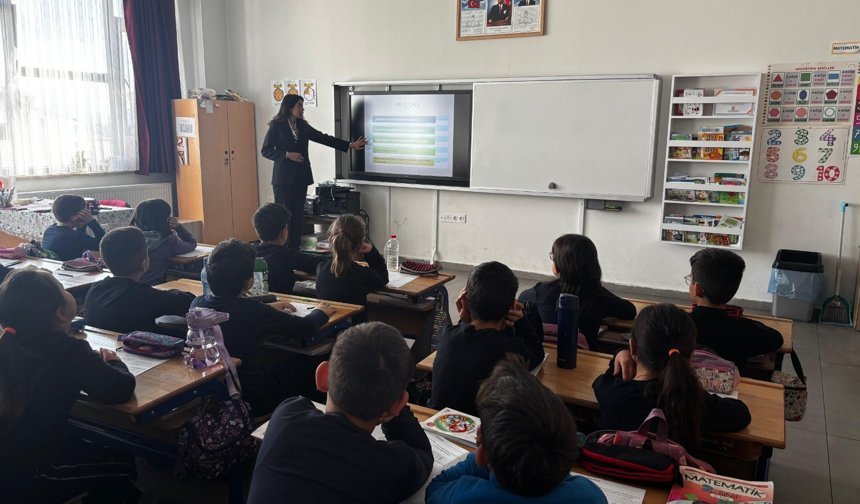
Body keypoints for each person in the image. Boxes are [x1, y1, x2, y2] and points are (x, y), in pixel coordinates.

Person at [247, 322, 433, 504]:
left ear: (322, 377)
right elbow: (422, 453)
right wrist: (393, 403)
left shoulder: (286, 416)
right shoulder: (390, 467)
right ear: (398, 405)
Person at [0, 268, 138, 502]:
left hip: (12, 463)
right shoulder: (68, 351)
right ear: (62, 313)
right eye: (61, 288)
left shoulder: (9, 343)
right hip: (34, 472)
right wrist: (115, 362)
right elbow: (119, 389)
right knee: (121, 459)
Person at [426, 356, 606, 504]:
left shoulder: (464, 497)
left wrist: (485, 451)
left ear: (483, 455)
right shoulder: (589, 496)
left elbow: (435, 489)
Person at [192, 239, 336, 416]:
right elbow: (305, 327)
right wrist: (321, 311)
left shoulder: (197, 304)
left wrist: (265, 307)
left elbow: (231, 307)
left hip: (216, 392)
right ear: (249, 282)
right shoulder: (251, 311)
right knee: (305, 366)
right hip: (254, 396)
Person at [592, 304, 751, 449]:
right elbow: (742, 415)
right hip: (670, 477)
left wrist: (619, 354)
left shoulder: (610, 390)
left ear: (633, 347)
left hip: (615, 472)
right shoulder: (690, 400)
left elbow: (605, 378)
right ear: (689, 357)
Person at [431, 261, 545, 415]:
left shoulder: (447, 335)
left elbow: (466, 338)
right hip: (482, 432)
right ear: (512, 306)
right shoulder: (510, 350)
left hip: (439, 425)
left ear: (465, 301)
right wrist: (522, 321)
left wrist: (465, 320)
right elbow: (537, 354)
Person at [261, 94, 367, 250]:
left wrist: (350, 145)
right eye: (299, 105)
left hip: (301, 178)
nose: (302, 109)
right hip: (283, 181)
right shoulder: (277, 126)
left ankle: (295, 249)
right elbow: (266, 150)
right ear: (290, 107)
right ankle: (282, 250)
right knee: (284, 217)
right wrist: (287, 155)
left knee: (297, 217)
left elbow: (323, 138)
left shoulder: (303, 126)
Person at [519, 234, 635, 350]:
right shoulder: (598, 297)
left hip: (543, 355)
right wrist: (596, 286)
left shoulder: (538, 292)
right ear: (593, 265)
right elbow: (630, 310)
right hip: (583, 359)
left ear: (558, 264)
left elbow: (522, 299)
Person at [84, 227, 195, 338]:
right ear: (144, 263)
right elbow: (188, 302)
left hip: (104, 348)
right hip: (137, 352)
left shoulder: (95, 289)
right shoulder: (145, 297)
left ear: (105, 262)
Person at [687, 249, 783, 373]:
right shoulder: (745, 330)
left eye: (690, 279)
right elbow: (777, 339)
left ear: (697, 289)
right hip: (733, 389)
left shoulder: (678, 324)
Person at [315, 214, 388, 320]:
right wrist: (372, 252)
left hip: (327, 331)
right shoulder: (362, 274)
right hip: (356, 333)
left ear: (331, 241)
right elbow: (383, 279)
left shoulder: (321, 269)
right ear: (360, 245)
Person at [250, 203, 325, 294]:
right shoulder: (286, 255)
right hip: (281, 305)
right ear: (284, 232)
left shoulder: (248, 251)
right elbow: (322, 263)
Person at [129, 198, 197, 285]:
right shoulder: (169, 241)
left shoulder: (129, 237)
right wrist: (178, 227)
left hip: (124, 288)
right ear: (165, 219)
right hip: (153, 288)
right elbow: (191, 243)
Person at [41, 194, 105, 260]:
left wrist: (82, 224)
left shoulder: (49, 230)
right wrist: (91, 222)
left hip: (55, 267)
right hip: (71, 269)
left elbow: (76, 236)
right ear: (75, 217)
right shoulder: (76, 236)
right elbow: (104, 246)